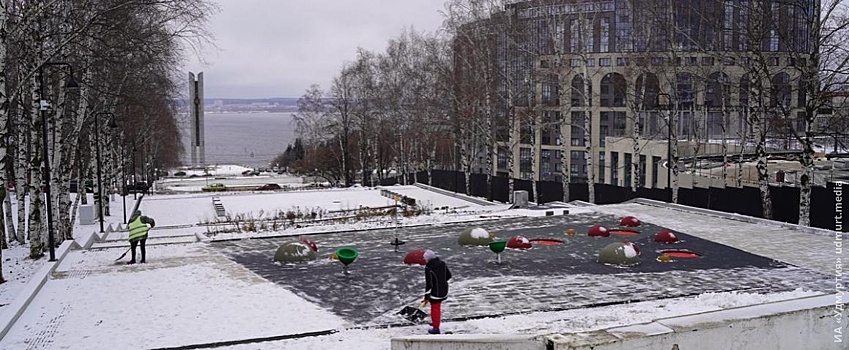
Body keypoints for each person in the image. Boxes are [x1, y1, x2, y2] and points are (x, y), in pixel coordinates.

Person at [423, 249, 451, 334]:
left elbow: (429, 285)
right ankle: (435, 322)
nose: (425, 260)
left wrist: (426, 298)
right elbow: (449, 275)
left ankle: (436, 328)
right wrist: (441, 281)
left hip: (435, 293)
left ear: (428, 259)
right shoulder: (442, 263)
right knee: (437, 308)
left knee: (435, 309)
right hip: (444, 290)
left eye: (425, 258)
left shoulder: (429, 268)